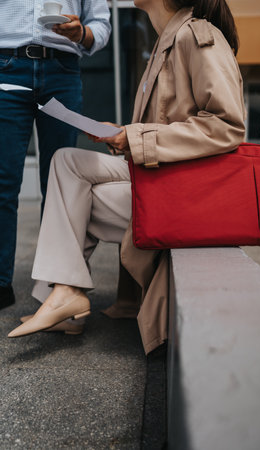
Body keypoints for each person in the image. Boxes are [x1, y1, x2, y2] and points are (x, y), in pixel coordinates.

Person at [8, 0, 246, 354]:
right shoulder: (168, 40)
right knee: (66, 161)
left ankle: (65, 298)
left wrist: (135, 138)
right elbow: (170, 126)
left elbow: (228, 126)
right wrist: (124, 132)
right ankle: (64, 293)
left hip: (181, 193)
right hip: (165, 175)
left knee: (78, 194)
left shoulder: (198, 36)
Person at [0, 0, 111, 310]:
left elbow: (101, 25)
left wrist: (82, 34)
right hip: (6, 67)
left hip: (62, 71)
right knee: (2, 180)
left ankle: (57, 283)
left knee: (61, 184)